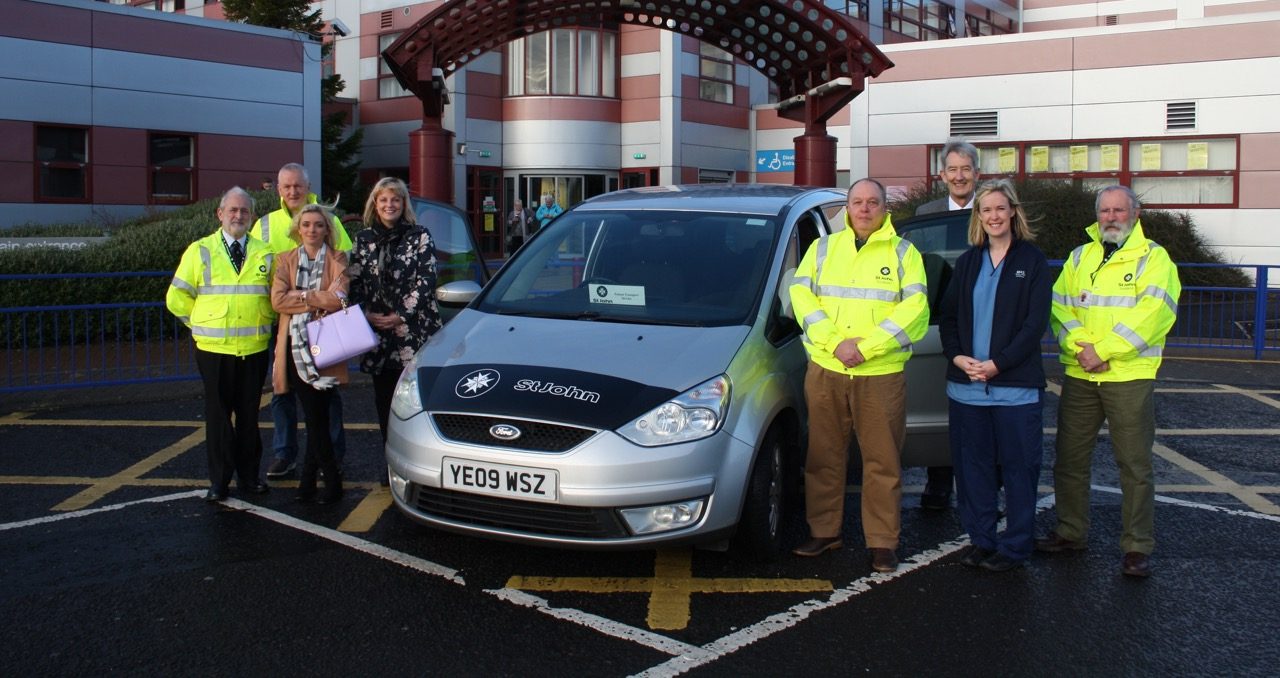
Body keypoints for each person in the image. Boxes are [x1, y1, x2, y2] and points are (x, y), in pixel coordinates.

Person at [1038, 185, 1181, 578]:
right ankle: (1070, 532)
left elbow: (1154, 316)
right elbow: (1059, 305)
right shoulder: (1080, 256)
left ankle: (1137, 547)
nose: (1111, 217)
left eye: (1119, 210)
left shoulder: (1154, 259)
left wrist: (1104, 351)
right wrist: (1081, 346)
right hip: (1081, 373)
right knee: (1069, 459)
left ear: (1135, 215)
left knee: (1134, 465)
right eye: (1105, 211)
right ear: (1097, 215)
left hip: (1128, 376)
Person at [789, 178, 930, 572]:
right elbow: (801, 298)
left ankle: (883, 542)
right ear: (847, 208)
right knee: (823, 457)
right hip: (827, 368)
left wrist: (863, 348)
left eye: (873, 202)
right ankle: (824, 531)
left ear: (886, 207)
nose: (864, 209)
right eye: (857, 202)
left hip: (880, 372)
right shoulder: (822, 249)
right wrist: (835, 343)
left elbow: (915, 310)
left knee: (882, 461)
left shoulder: (905, 253)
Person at [939, 180, 1052, 572]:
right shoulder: (969, 262)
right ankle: (982, 540)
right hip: (967, 389)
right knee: (973, 471)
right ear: (979, 217)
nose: (994, 216)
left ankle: (1016, 546)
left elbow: (1035, 325)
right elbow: (949, 318)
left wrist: (998, 364)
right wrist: (957, 357)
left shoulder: (1032, 260)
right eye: (986, 210)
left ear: (1013, 212)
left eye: (1000, 208)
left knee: (1021, 471)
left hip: (1015, 390)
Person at [166, 187, 274, 502]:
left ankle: (250, 477)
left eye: (244, 211)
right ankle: (220, 481)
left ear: (251, 217)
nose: (238, 216)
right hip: (214, 352)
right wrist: (199, 323)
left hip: (253, 349)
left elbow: (276, 298)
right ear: (220, 214)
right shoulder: (199, 250)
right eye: (233, 210)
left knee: (249, 418)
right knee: (218, 419)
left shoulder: (266, 252)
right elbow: (176, 298)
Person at [251, 163, 354, 481]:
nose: (292, 191)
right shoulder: (264, 225)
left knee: (328, 391)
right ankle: (285, 454)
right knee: (281, 392)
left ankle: (332, 453)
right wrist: (314, 295)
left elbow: (344, 275)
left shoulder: (331, 219)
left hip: (324, 326)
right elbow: (273, 291)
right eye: (286, 187)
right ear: (278, 190)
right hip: (283, 327)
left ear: (308, 185)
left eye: (297, 185)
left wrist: (303, 296)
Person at [348, 177, 443, 476]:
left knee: (415, 401)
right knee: (383, 401)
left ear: (403, 205)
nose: (389, 205)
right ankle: (390, 464)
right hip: (378, 333)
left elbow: (427, 279)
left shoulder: (420, 235)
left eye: (395, 200)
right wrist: (365, 312)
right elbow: (355, 280)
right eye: (383, 200)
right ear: (375, 205)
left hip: (414, 332)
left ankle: (416, 463)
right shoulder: (363, 239)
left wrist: (401, 314)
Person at [914, 137, 981, 510]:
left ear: (977, 174)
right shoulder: (928, 214)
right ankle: (938, 482)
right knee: (938, 400)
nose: (959, 176)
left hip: (985, 321)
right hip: (941, 315)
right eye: (952, 170)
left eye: (965, 169)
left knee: (987, 407)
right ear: (942, 175)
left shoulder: (993, 209)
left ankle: (985, 487)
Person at [270, 204, 350, 504]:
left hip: (326, 344)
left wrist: (300, 295)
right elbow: (278, 301)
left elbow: (338, 298)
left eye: (318, 225)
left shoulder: (338, 258)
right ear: (297, 229)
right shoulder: (285, 260)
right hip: (294, 349)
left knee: (318, 416)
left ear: (327, 229)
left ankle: (317, 482)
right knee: (315, 416)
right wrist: (316, 298)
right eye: (306, 225)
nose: (312, 230)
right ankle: (325, 481)